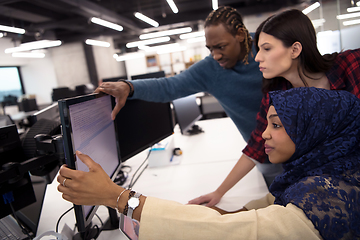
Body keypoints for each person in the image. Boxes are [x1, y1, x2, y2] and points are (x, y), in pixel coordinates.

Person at [57, 87, 360, 239]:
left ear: (314, 129)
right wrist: (231, 211)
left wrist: (117, 197)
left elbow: (231, 234)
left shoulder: (328, 201)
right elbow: (270, 203)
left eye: (277, 125)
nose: (264, 134)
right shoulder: (323, 170)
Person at [96, 6, 283, 191]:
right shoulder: (210, 69)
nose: (216, 55)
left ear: (241, 35)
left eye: (221, 47)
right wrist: (129, 87)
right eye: (210, 49)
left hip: (300, 146)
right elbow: (170, 86)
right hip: (263, 154)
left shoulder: (267, 50)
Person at [189, 8, 360, 207]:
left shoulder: (351, 65)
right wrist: (219, 192)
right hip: (325, 192)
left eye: (267, 49)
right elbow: (256, 147)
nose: (257, 57)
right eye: (258, 49)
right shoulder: (277, 95)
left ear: (295, 50)